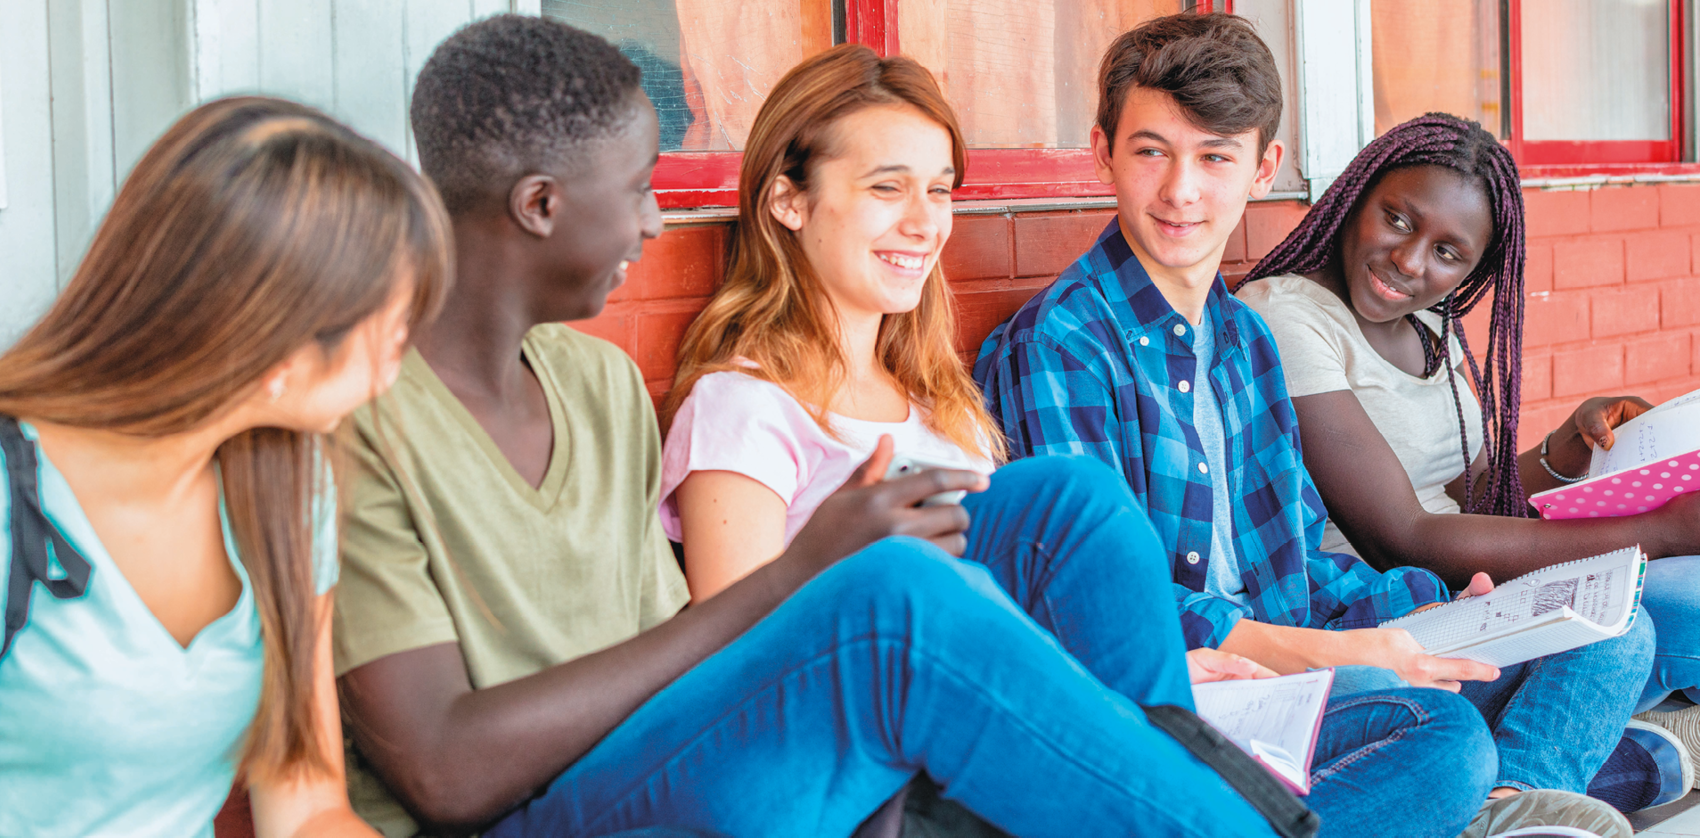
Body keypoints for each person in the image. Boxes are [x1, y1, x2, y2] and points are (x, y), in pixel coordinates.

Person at [330, 15, 1309, 838]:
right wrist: (806, 577)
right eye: (637, 188)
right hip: (544, 814)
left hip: (672, 756)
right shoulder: (358, 422)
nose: (658, 225)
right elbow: (443, 771)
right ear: (540, 206)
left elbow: (679, 655)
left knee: (1068, 502)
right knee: (895, 599)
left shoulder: (595, 381)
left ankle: (1173, 792)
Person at [658, 35, 1505, 838]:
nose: (923, 222)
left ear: (1262, 168)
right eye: (888, 188)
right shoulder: (747, 406)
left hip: (1072, 714)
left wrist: (1162, 673)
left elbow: (1034, 613)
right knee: (1437, 736)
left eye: (941, 190)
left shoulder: (944, 407)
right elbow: (742, 679)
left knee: (1499, 692)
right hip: (940, 765)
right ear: (786, 198)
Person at [972, 10, 1653, 832]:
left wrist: (1429, 604)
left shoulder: (1244, 343)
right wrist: (1353, 653)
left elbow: (1294, 563)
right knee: (1440, 740)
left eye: (1215, 157)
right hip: (1190, 701)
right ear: (1102, 152)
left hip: (1312, 666)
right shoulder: (1060, 345)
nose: (1182, 190)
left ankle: (1501, 804)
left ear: (1265, 167)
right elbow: (1112, 617)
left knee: (1611, 636)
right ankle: (1490, 794)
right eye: (1151, 150)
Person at [0, 97, 450, 838]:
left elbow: (308, 804)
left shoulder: (288, 483)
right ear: (280, 347)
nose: (402, 359)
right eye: (393, 328)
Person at [1235, 111, 1700, 809]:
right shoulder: (1285, 316)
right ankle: (1531, 793)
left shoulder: (1428, 328)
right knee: (1622, 628)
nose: (1411, 261)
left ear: (1475, 271)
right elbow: (1404, 533)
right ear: (1355, 196)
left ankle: (1564, 767)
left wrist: (1568, 448)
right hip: (1384, 610)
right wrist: (1659, 532)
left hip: (1474, 588)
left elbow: (1470, 491)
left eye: (1449, 253)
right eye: (1398, 219)